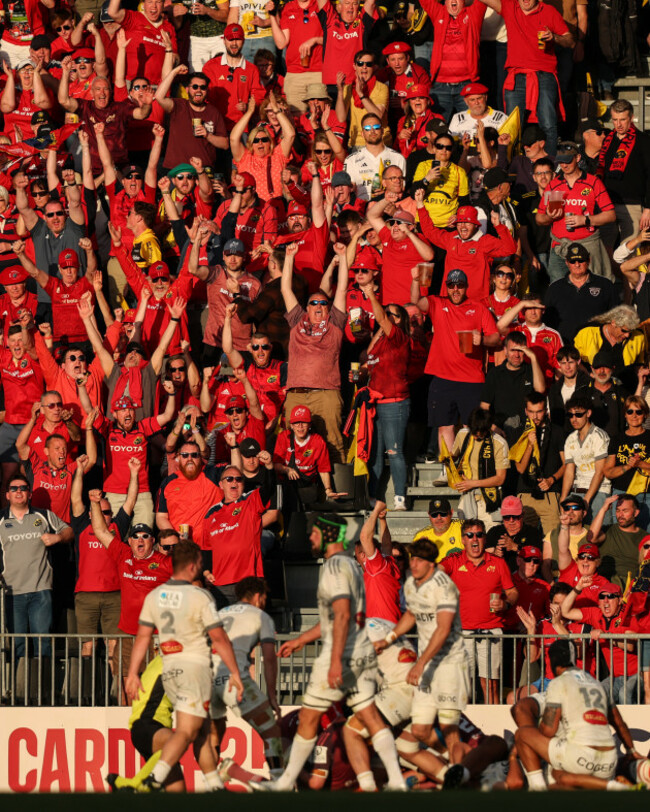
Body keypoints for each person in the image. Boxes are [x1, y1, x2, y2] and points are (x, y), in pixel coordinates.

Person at [270, 514, 407, 792]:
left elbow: (341, 616)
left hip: (347, 652)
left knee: (309, 716)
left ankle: (285, 782)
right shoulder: (355, 568)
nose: (310, 537)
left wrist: (334, 663)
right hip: (366, 647)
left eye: (315, 532)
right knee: (366, 717)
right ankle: (390, 780)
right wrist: (301, 640)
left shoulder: (337, 567)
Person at [126, 540, 243, 792]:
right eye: (200, 564)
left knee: (200, 730)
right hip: (193, 669)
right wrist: (235, 672)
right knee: (188, 731)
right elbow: (219, 638)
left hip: (170, 669)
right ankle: (155, 777)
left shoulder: (155, 595)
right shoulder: (200, 596)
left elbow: (143, 636)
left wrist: (133, 672)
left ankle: (214, 785)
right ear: (192, 566)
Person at [375, 538, 470, 764]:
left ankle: (461, 774)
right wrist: (388, 639)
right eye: (412, 560)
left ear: (431, 564)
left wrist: (420, 663)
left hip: (449, 665)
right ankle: (455, 763)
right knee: (419, 730)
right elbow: (411, 615)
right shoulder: (411, 584)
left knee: (448, 726)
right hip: (428, 665)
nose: (414, 564)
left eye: (419, 560)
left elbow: (443, 628)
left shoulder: (445, 587)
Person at [514, 638, 641, 790]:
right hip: (608, 764)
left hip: (580, 758)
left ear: (553, 661)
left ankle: (537, 790)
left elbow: (548, 730)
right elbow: (619, 723)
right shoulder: (595, 683)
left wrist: (534, 743)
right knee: (557, 777)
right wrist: (631, 751)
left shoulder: (558, 683)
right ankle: (610, 786)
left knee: (523, 734)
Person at [411, 269, 501, 458]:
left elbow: (496, 338)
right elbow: (416, 302)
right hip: (443, 377)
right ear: (447, 287)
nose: (456, 289)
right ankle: (448, 469)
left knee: (473, 427)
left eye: (460, 285)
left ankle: (471, 467)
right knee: (445, 426)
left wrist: (482, 340)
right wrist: (416, 279)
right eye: (452, 286)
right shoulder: (438, 303)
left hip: (472, 379)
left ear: (466, 287)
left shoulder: (478, 308)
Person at [0, 473, 73, 699]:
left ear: (30, 493)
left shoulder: (43, 516)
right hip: (13, 593)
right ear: (7, 495)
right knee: (19, 645)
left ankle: (46, 692)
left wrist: (57, 538)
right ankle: (20, 694)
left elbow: (69, 531)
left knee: (43, 642)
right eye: (14, 488)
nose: (19, 492)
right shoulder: (1, 520)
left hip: (41, 590)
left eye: (23, 488)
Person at [477, 0, 573, 156]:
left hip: (544, 74)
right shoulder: (510, 7)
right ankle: (512, 165)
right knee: (513, 125)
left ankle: (549, 166)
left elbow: (570, 40)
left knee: (548, 123)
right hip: (516, 75)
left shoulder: (549, 11)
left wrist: (554, 37)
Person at [281, 241, 348, 463]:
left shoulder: (335, 322)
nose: (318, 306)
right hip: (296, 393)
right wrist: (289, 257)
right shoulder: (297, 320)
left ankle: (339, 492)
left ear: (328, 308)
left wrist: (343, 257)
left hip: (326, 392)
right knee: (292, 443)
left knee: (333, 441)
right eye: (313, 303)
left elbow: (343, 288)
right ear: (306, 308)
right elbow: (285, 289)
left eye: (322, 303)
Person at [210, 576, 283, 775]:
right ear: (258, 596)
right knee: (271, 730)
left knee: (215, 734)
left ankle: (212, 781)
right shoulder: (261, 616)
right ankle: (278, 782)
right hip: (234, 679)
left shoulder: (220, 613)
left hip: (208, 678)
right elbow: (269, 658)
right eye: (265, 598)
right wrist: (272, 696)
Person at [440, 518, 518, 704]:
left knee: (490, 684)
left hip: (491, 631)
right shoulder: (454, 560)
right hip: (462, 633)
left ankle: (493, 728)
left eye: (479, 535)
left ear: (484, 538)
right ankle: (463, 730)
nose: (475, 539)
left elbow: (513, 592)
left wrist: (506, 604)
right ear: (463, 539)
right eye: (470, 535)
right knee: (461, 684)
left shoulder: (498, 563)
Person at [535, 141, 615, 282]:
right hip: (560, 248)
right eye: (561, 162)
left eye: (567, 161)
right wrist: (549, 217)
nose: (564, 165)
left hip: (587, 247)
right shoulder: (553, 185)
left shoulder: (593, 182)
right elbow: (539, 218)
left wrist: (585, 220)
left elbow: (610, 215)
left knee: (591, 288)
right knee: (558, 290)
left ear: (578, 158)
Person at [417, 199, 517, 300]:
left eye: (467, 223)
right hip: (449, 302)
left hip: (475, 304)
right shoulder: (450, 238)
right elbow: (429, 231)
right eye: (460, 223)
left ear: (475, 225)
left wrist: (499, 226)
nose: (463, 226)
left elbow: (510, 249)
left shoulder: (484, 241)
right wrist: (420, 206)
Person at [204, 465, 273, 607]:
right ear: (221, 485)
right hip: (221, 584)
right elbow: (206, 548)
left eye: (238, 479)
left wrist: (270, 468)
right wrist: (206, 571)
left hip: (249, 582)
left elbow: (269, 488)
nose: (234, 482)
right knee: (224, 627)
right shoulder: (211, 514)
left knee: (251, 627)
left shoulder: (250, 501)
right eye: (229, 479)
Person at [156, 440, 225, 556]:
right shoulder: (168, 482)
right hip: (181, 549)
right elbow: (161, 517)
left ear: (200, 458)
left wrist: (234, 447)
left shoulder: (213, 474)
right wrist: (174, 535)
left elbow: (237, 472)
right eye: (185, 455)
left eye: (194, 455)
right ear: (178, 458)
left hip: (212, 547)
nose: (189, 458)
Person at [598, 99, 650, 252]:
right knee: (605, 252)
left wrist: (648, 208)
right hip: (607, 205)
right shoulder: (607, 140)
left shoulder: (643, 141)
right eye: (615, 120)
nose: (618, 124)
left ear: (631, 118)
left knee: (629, 253)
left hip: (632, 205)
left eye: (622, 119)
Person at [511, 393, 566, 534]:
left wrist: (551, 479)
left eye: (539, 412)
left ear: (546, 411)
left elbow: (567, 464)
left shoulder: (558, 431)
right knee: (525, 543)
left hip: (551, 493)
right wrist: (530, 444)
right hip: (526, 493)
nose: (535, 416)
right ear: (525, 411)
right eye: (531, 412)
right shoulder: (519, 432)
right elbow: (520, 468)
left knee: (553, 542)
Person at [154, 67, 228, 170]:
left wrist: (207, 135)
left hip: (203, 170)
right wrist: (174, 72)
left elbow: (225, 144)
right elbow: (159, 97)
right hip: (176, 170)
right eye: (195, 86)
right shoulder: (179, 105)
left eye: (203, 87)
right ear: (187, 89)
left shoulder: (213, 112)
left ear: (207, 91)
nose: (199, 90)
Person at [543, 242, 618, 345]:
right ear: (567, 263)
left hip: (596, 345)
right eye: (573, 261)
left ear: (589, 261)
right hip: (565, 348)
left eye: (581, 260)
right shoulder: (555, 288)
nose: (577, 264)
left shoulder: (605, 285)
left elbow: (616, 316)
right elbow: (547, 321)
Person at [479, 331, 546, 444]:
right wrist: (493, 428)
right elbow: (484, 407)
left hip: (527, 434)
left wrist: (533, 358)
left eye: (520, 350)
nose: (516, 355)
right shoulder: (495, 374)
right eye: (512, 350)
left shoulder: (531, 370)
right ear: (505, 351)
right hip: (500, 432)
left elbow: (540, 390)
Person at [365, 203, 433, 307]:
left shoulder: (419, 239)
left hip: (412, 306)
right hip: (388, 305)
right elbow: (372, 216)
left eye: (399, 222)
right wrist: (386, 199)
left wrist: (409, 234)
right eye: (392, 223)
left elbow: (429, 256)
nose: (395, 225)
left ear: (410, 226)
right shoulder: (388, 237)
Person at [603, 396, 650, 528]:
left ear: (645, 414)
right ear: (625, 414)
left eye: (638, 412)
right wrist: (628, 466)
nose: (634, 415)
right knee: (621, 536)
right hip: (621, 494)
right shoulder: (617, 439)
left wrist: (640, 464)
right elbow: (608, 472)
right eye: (630, 412)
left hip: (646, 495)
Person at [561, 394, 611, 518]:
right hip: (576, 493)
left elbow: (600, 472)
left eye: (578, 414)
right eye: (570, 415)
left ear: (588, 413)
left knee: (599, 534)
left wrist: (586, 500)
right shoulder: (570, 439)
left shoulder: (599, 436)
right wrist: (563, 499)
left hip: (599, 492)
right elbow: (569, 471)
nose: (574, 419)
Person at [355, 501, 402, 623]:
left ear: (363, 555)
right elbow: (386, 544)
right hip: (392, 624)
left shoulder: (376, 566)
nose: (357, 561)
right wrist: (382, 520)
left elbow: (365, 537)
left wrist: (376, 511)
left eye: (356, 557)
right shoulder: (387, 563)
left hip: (381, 627)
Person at [343, 112, 406, 202]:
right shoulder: (351, 160)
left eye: (376, 127)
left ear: (382, 131)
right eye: (367, 128)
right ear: (362, 133)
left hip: (390, 205)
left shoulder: (398, 158)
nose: (372, 131)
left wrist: (386, 193)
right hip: (362, 207)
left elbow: (402, 188)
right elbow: (349, 191)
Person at [588, 494, 646, 588]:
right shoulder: (608, 530)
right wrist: (603, 509)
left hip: (629, 585)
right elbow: (591, 538)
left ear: (636, 513)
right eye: (618, 510)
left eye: (625, 511)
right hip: (605, 582)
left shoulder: (645, 538)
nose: (620, 515)